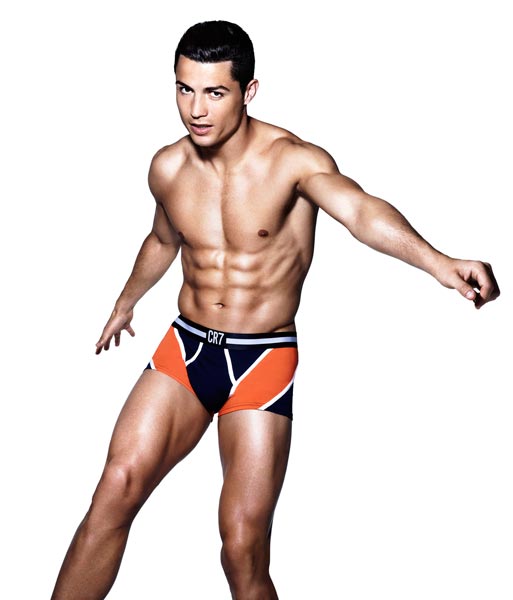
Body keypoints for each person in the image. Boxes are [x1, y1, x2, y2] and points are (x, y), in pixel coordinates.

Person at [51, 19, 500, 600]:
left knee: (241, 546)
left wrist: (438, 262)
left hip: (261, 359)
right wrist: (126, 301)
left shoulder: (293, 161)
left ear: (249, 91)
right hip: (186, 347)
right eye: (185, 89)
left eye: (215, 92)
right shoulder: (168, 166)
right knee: (115, 489)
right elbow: (163, 239)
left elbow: (360, 211)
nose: (196, 109)